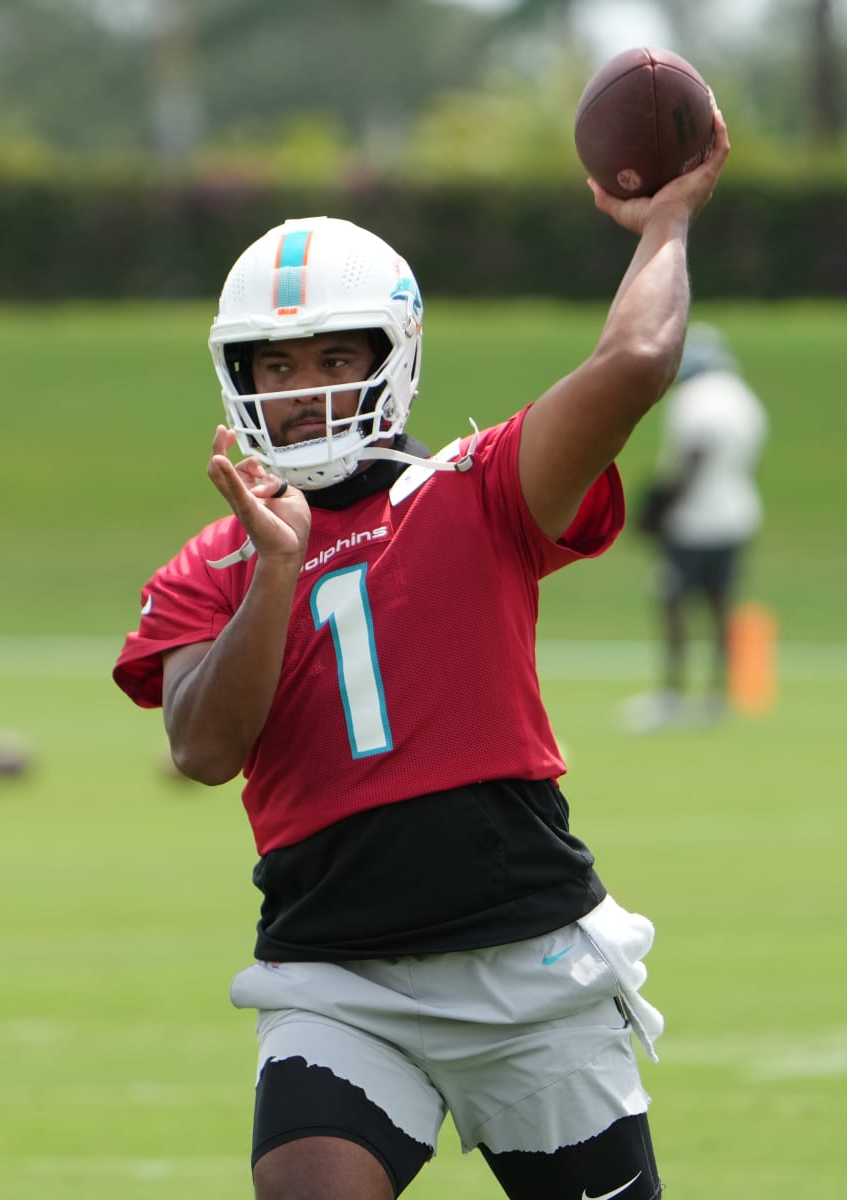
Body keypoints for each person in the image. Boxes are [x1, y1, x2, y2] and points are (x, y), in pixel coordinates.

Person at [113, 106, 729, 1198]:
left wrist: (667, 220)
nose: (300, 391)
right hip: (336, 975)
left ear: (392, 358)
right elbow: (205, 750)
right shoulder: (213, 560)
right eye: (274, 365)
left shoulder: (475, 489)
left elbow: (635, 361)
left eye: (332, 357)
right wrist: (274, 569)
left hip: (525, 964)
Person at [624, 324, 767, 733]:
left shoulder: (696, 399)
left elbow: (695, 456)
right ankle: (717, 696)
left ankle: (672, 695)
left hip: (693, 522)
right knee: (721, 605)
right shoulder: (744, 398)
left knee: (672, 603)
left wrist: (663, 506)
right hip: (736, 515)